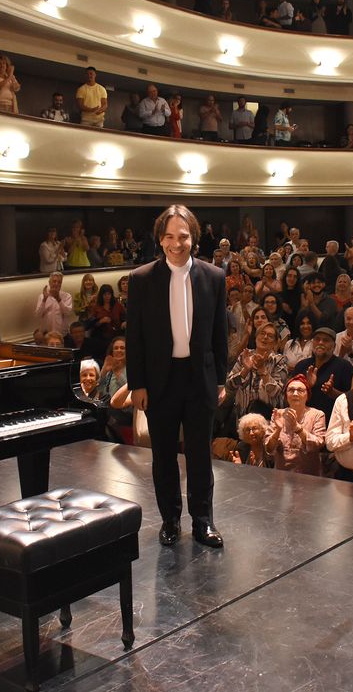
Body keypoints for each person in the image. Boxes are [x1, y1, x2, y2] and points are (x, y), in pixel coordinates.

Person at [126, 205, 229, 548]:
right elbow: (135, 338)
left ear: (193, 238)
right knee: (164, 456)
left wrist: (221, 380)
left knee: (200, 454)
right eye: (169, 236)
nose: (176, 243)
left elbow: (219, 334)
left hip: (199, 378)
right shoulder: (141, 279)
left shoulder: (214, 277)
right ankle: (170, 520)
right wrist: (137, 383)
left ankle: (203, 521)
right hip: (159, 381)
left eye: (182, 236)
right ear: (160, 239)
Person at [266, 375, 327, 475]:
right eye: (291, 390)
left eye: (300, 390)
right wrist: (278, 430)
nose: (295, 393)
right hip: (281, 476)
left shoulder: (317, 414)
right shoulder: (278, 414)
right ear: (286, 395)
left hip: (308, 476)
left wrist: (297, 428)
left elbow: (318, 444)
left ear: (307, 395)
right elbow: (269, 448)